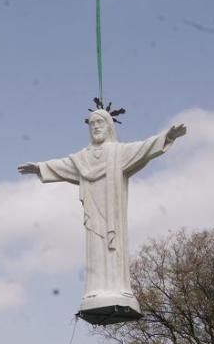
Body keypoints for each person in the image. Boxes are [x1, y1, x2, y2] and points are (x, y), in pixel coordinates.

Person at [18, 110, 186, 322]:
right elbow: (62, 165)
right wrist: (40, 167)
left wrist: (167, 136)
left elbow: (144, 148)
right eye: (92, 124)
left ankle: (119, 289)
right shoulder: (82, 159)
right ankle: (95, 290)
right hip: (93, 217)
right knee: (96, 252)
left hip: (113, 217)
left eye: (100, 123)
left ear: (109, 126)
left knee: (113, 251)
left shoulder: (118, 153)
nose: (96, 127)